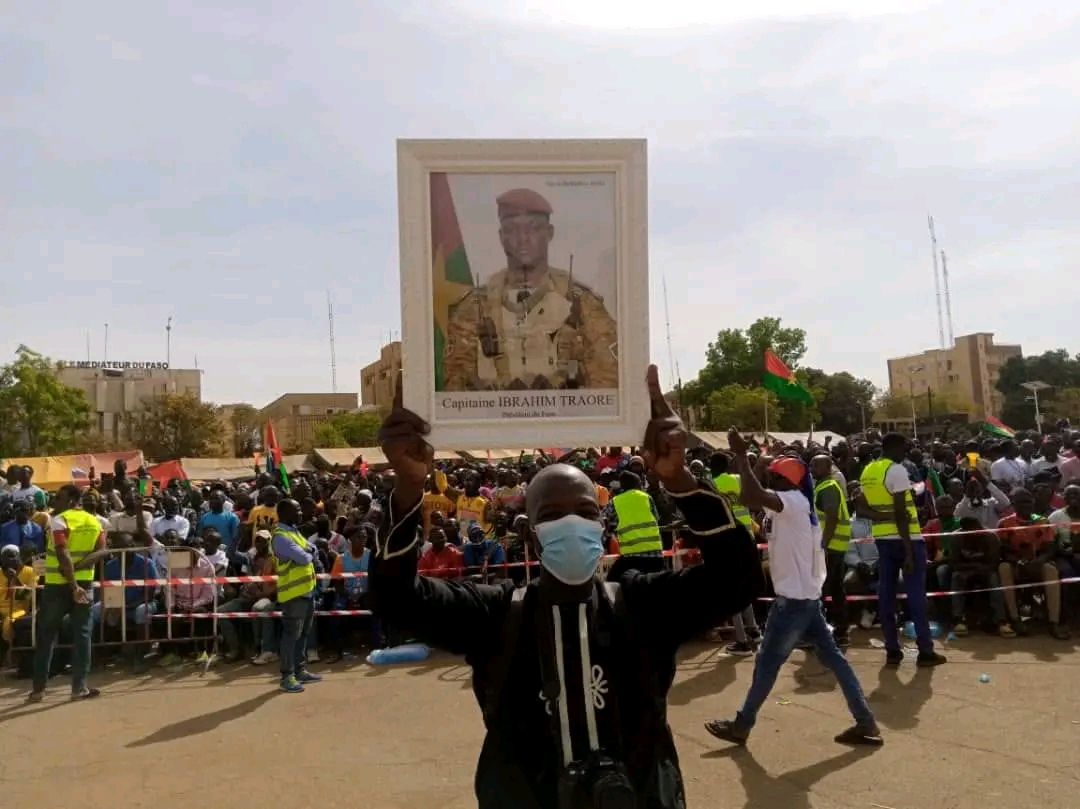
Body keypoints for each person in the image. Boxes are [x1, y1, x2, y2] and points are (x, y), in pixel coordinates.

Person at [369, 366, 764, 809]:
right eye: (553, 515)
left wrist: (681, 482)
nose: (571, 523)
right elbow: (396, 599)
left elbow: (738, 579)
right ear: (533, 535)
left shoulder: (641, 605)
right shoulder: (497, 616)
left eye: (584, 511)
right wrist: (406, 487)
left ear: (601, 526)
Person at [705, 435, 882, 748]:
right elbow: (749, 497)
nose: (770, 479)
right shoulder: (787, 503)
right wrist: (758, 460)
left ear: (784, 481)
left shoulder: (794, 504)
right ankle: (866, 723)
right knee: (835, 661)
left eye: (775, 476)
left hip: (795, 603)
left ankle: (742, 725)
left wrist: (743, 457)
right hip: (806, 601)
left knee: (767, 663)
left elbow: (752, 493)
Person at [442, 187, 618, 392]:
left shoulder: (583, 306)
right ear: (501, 236)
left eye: (533, 228)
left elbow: (608, 387)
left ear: (549, 233)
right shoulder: (473, 309)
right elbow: (454, 389)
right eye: (512, 229)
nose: (522, 238)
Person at [858, 433, 946, 667]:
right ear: (895, 447)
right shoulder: (895, 470)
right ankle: (925, 651)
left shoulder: (868, 471)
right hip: (907, 540)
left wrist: (885, 516)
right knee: (916, 596)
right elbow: (900, 511)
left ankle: (892, 650)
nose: (905, 453)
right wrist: (908, 551)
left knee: (885, 596)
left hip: (882, 539)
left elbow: (862, 508)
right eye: (904, 448)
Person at [28, 484, 105, 702]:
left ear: (71, 500)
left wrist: (72, 584)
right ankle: (79, 688)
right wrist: (80, 574)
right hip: (85, 584)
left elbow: (62, 553)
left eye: (60, 498)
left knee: (46, 635)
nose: (55, 502)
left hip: (58, 586)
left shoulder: (60, 520)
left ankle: (38, 689)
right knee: (82, 636)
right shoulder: (95, 522)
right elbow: (101, 551)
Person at [271, 498, 323, 693]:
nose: (301, 513)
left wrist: (309, 551)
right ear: (285, 514)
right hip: (293, 595)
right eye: (297, 510)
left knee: (303, 634)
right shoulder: (280, 536)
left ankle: (300, 670)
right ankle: (287, 676)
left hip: (307, 591)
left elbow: (312, 549)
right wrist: (309, 553)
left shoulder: (294, 532)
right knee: (291, 635)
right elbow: (304, 557)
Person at [811, 453, 852, 648]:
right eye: (811, 465)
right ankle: (840, 630)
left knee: (823, 591)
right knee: (835, 590)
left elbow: (832, 517)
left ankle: (825, 633)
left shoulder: (827, 487)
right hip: (834, 546)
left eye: (817, 465)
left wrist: (823, 545)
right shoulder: (823, 486)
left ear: (828, 468)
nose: (812, 469)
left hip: (831, 547)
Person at [607, 470, 665, 578]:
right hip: (656, 556)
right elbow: (656, 518)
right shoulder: (647, 497)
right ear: (636, 484)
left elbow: (604, 519)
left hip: (631, 558)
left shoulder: (615, 501)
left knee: (611, 583)